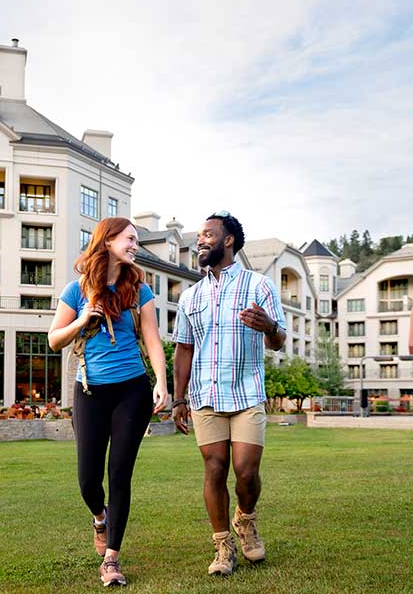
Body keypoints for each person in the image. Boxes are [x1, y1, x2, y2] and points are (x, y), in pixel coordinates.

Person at [49, 216, 169, 587]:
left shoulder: (139, 291)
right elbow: (54, 340)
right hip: (90, 393)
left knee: (120, 474)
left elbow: (152, 341)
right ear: (108, 240)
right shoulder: (77, 289)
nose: (135, 245)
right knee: (88, 479)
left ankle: (112, 560)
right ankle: (100, 518)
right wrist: (83, 317)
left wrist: (162, 384)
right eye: (130, 239)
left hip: (132, 391)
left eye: (136, 240)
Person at [171, 211, 286, 576]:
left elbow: (279, 341)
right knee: (215, 468)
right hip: (205, 395)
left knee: (246, 472)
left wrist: (269, 326)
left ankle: (246, 519)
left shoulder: (259, 286)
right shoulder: (190, 297)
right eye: (199, 236)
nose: (200, 241)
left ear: (228, 240)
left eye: (208, 234)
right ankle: (223, 547)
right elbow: (183, 350)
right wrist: (178, 399)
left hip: (247, 392)